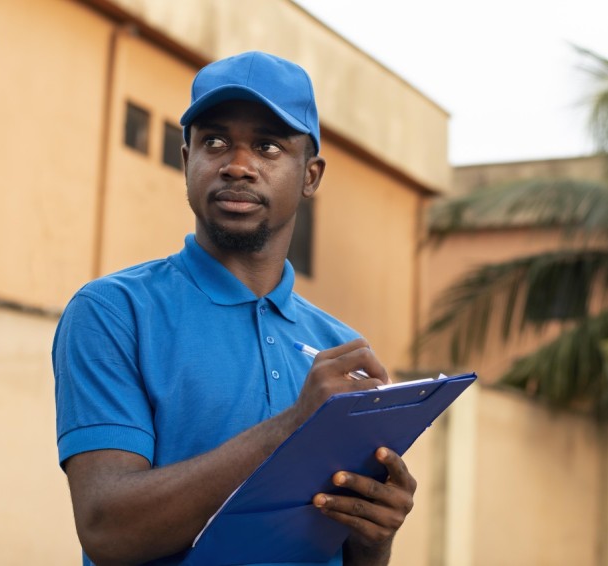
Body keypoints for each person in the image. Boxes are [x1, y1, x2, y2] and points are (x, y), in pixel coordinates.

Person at [53, 51, 417, 566]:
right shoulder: (114, 312)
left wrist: (374, 539)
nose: (237, 165)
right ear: (187, 161)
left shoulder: (344, 353)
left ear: (310, 175)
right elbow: (106, 529)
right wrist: (291, 427)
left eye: (267, 146)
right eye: (214, 141)